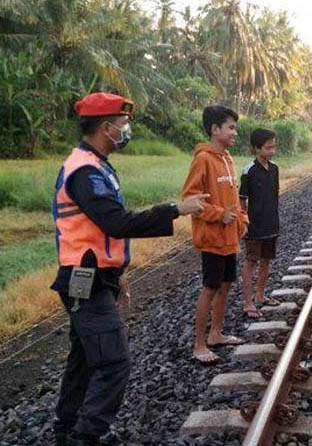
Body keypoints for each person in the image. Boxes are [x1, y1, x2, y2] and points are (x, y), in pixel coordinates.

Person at [51, 92, 206, 446]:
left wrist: (116, 276)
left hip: (93, 277)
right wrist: (176, 209)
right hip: (82, 280)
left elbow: (101, 233)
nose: (126, 130)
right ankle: (87, 435)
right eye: (122, 125)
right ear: (106, 127)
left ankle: (66, 429)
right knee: (114, 362)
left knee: (86, 358)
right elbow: (117, 223)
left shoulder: (95, 164)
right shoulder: (84, 172)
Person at [181, 105, 248, 365]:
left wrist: (242, 219)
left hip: (230, 239)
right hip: (211, 239)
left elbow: (233, 197)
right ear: (214, 129)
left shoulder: (227, 159)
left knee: (225, 286)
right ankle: (199, 345)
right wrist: (219, 215)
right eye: (230, 127)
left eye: (235, 127)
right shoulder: (203, 159)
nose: (235, 132)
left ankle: (216, 334)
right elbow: (190, 199)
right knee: (210, 288)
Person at [239, 128, 281, 318]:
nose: (271, 151)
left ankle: (261, 296)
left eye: (273, 147)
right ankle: (248, 303)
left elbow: (274, 195)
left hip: (271, 223)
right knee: (251, 262)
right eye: (267, 147)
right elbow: (242, 200)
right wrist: (245, 222)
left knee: (266, 261)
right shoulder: (249, 171)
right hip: (254, 226)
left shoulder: (274, 169)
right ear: (257, 148)